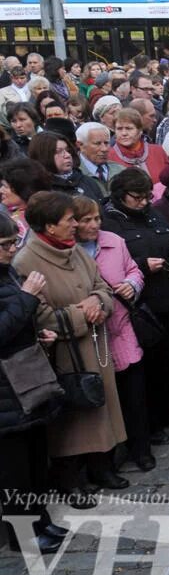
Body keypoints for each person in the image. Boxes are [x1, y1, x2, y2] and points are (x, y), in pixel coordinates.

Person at [13, 191, 124, 502]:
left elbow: (102, 286)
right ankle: (69, 478)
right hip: (63, 354)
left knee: (101, 409)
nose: (76, 225)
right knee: (72, 418)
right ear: (50, 227)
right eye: (69, 220)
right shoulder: (27, 261)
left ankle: (102, 466)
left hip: (95, 346)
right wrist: (80, 314)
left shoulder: (75, 251)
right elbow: (37, 314)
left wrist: (97, 301)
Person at [100, 168, 169, 441]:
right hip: (139, 305)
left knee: (168, 360)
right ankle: (152, 424)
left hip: (167, 297)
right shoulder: (111, 222)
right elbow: (110, 268)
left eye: (147, 196)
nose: (144, 202)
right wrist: (142, 266)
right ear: (121, 196)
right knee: (146, 370)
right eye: (137, 198)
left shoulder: (152, 213)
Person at [70, 195, 152, 473]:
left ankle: (141, 449)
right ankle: (107, 457)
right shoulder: (71, 252)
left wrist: (132, 283)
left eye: (97, 219)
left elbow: (132, 270)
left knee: (135, 395)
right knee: (105, 399)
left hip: (122, 327)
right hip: (92, 337)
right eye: (86, 220)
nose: (94, 225)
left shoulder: (114, 242)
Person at [0, 211, 65, 551]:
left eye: (13, 242)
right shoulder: (15, 281)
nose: (12, 249)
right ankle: (22, 537)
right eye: (5, 244)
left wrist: (39, 335)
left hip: (25, 382)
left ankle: (41, 522)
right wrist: (27, 296)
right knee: (14, 472)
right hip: (5, 396)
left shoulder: (7, 273)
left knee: (36, 462)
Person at [27, 132, 103, 202]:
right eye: (58, 152)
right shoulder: (39, 190)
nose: (67, 155)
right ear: (43, 156)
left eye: (68, 150)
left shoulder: (87, 181)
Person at [108, 108, 168, 182]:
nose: (124, 133)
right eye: (119, 129)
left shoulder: (157, 152)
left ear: (139, 130)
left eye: (129, 128)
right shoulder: (109, 156)